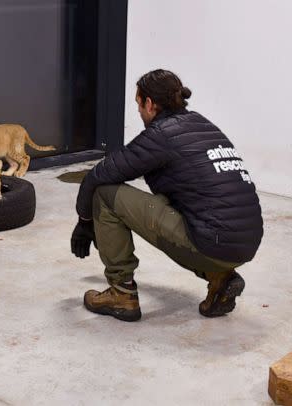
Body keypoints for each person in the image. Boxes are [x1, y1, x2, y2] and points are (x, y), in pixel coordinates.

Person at [71, 69, 263, 322]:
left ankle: (122, 292)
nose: (139, 112)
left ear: (149, 104)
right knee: (165, 203)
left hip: (214, 242)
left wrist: (85, 221)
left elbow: (98, 176)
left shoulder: (161, 135)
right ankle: (220, 278)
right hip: (247, 241)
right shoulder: (202, 124)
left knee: (105, 195)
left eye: (139, 104)